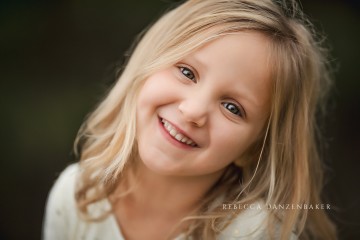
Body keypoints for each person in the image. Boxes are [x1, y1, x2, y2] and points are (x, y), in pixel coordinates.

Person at [43, 0, 337, 239]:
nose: (194, 111)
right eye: (187, 72)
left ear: (253, 148)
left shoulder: (253, 232)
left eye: (232, 108)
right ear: (146, 67)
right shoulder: (76, 196)